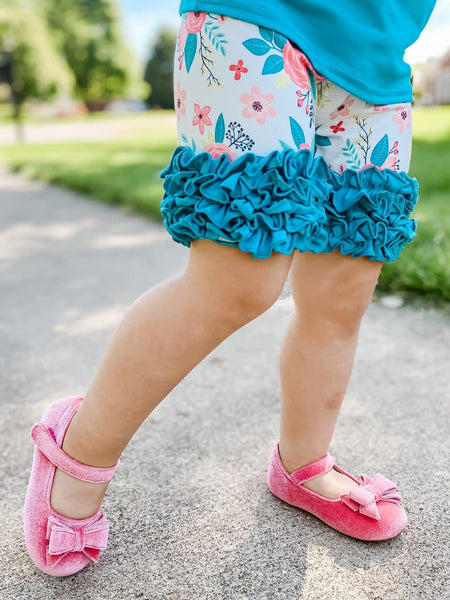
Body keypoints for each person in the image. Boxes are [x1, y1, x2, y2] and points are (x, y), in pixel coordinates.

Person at [24, 0, 436, 577]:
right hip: (255, 19)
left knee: (341, 296)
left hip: (375, 60)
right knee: (238, 280)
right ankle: (79, 446)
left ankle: (303, 464)